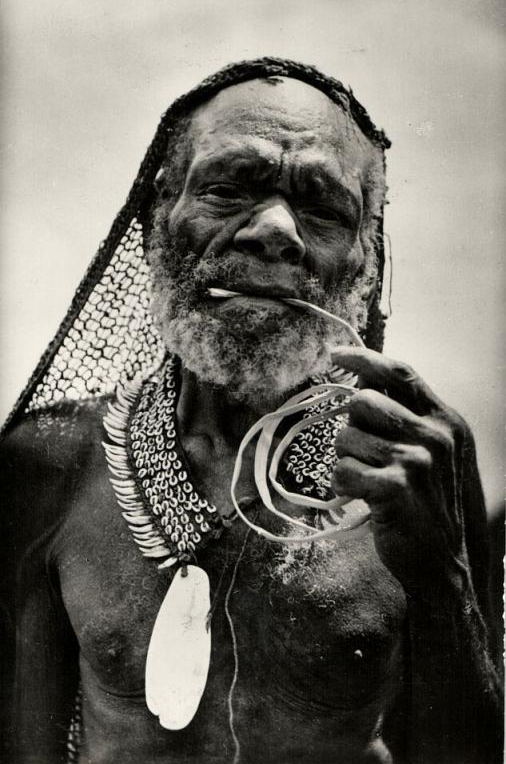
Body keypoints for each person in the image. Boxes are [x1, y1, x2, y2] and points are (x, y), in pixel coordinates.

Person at [0, 58, 502, 764]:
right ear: (153, 222)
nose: (274, 230)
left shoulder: (413, 466)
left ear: (365, 261)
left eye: (322, 207)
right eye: (230, 187)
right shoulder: (46, 462)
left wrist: (441, 579)